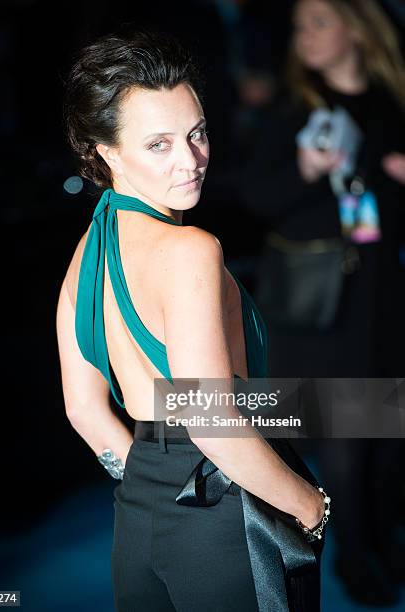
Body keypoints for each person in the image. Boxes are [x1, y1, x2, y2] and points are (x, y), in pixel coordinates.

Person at [56, 28, 329, 612]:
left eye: (197, 133)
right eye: (158, 144)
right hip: (227, 512)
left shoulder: (88, 251)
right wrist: (309, 505)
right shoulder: (190, 250)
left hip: (140, 519)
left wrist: (158, 483)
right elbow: (210, 422)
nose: (190, 161)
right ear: (105, 152)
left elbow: (84, 410)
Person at [234, 0, 405, 606]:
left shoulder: (391, 102)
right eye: (300, 24)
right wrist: (307, 170)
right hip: (320, 303)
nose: (304, 35)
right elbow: (255, 194)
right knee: (346, 440)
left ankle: (381, 545)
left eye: (320, 21)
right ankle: (359, 563)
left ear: (358, 27)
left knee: (389, 436)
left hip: (381, 291)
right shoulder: (294, 107)